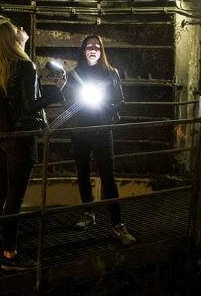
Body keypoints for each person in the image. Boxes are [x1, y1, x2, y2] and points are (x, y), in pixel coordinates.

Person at [0, 18, 64, 270]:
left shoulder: (0, 71)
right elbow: (29, 106)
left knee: (1, 189)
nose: (21, 29)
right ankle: (10, 254)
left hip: (4, 140)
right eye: (16, 29)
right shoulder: (25, 67)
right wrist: (57, 90)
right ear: (12, 40)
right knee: (15, 198)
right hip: (22, 140)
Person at [68, 34, 135, 245]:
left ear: (101, 50)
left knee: (108, 177)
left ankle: (117, 224)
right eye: (89, 46)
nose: (93, 49)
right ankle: (88, 213)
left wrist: (108, 114)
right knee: (83, 174)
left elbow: (120, 102)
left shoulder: (111, 73)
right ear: (83, 50)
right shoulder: (75, 73)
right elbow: (68, 99)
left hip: (102, 131)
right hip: (80, 132)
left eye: (97, 46)